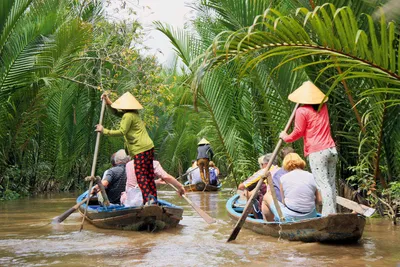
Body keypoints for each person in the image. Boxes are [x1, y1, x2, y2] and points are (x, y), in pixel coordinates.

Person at [279, 81, 337, 216]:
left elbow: (298, 132)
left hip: (317, 151)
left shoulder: (301, 110)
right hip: (331, 149)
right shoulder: (323, 107)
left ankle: (328, 215)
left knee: (323, 184)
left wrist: (285, 137)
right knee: (331, 183)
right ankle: (332, 213)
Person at [95, 92, 156, 203]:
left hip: (140, 149)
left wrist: (104, 130)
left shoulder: (128, 116)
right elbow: (116, 113)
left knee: (141, 175)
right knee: (149, 175)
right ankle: (153, 199)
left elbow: (122, 131)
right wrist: (108, 102)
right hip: (148, 147)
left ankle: (147, 201)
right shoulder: (133, 113)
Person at [261, 153, 322, 222]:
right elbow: (319, 200)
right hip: (311, 216)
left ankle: (270, 225)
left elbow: (284, 202)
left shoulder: (283, 178)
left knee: (266, 196)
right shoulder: (311, 176)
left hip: (289, 217)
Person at [121, 160, 185, 205]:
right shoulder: (153, 163)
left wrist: (156, 182)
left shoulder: (128, 164)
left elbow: (137, 185)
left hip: (130, 201)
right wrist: (180, 187)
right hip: (143, 200)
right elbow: (166, 177)